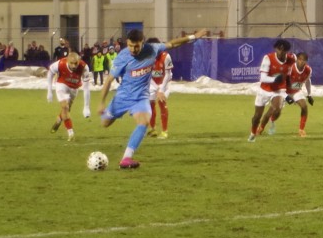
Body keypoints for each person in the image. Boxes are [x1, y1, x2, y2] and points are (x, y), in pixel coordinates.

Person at [99, 28, 209, 169]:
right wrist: (101, 103)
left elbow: (173, 44)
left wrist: (194, 36)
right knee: (105, 123)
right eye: (130, 46)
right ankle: (111, 114)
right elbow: (109, 80)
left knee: (144, 122)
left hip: (141, 98)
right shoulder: (122, 57)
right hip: (122, 97)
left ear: (142, 42)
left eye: (136, 46)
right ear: (127, 43)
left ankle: (126, 158)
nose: (133, 49)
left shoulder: (152, 49)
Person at [249, 39, 293, 141]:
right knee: (257, 117)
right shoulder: (268, 58)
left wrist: (289, 93)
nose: (281, 52)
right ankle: (253, 133)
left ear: (287, 51)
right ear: (275, 49)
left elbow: (289, 77)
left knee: (277, 109)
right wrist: (275, 79)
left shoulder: (291, 60)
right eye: (279, 49)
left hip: (278, 90)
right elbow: (262, 78)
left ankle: (266, 125)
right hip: (264, 89)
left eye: (283, 50)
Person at [46, 52, 92, 141]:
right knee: (65, 107)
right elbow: (50, 73)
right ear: (67, 61)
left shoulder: (84, 67)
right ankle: (70, 132)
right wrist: (49, 91)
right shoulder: (60, 63)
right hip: (61, 85)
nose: (74, 66)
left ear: (79, 61)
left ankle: (59, 120)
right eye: (71, 63)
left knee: (67, 109)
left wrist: (86, 107)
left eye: (76, 63)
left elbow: (86, 88)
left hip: (74, 88)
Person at [283, 51, 315, 137]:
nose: (301, 61)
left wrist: (309, 94)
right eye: (300, 59)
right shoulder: (290, 68)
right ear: (296, 60)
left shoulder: (308, 70)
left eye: (304, 60)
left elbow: (307, 81)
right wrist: (285, 96)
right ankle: (263, 126)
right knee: (275, 110)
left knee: (304, 106)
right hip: (284, 91)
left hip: (296, 91)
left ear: (306, 61)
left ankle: (301, 129)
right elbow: (282, 81)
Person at [146, 39, 173, 139]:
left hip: (165, 82)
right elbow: (148, 75)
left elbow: (168, 74)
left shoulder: (166, 56)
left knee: (161, 102)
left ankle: (164, 131)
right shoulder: (147, 58)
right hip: (153, 82)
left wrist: (161, 89)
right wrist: (156, 88)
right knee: (150, 104)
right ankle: (153, 129)